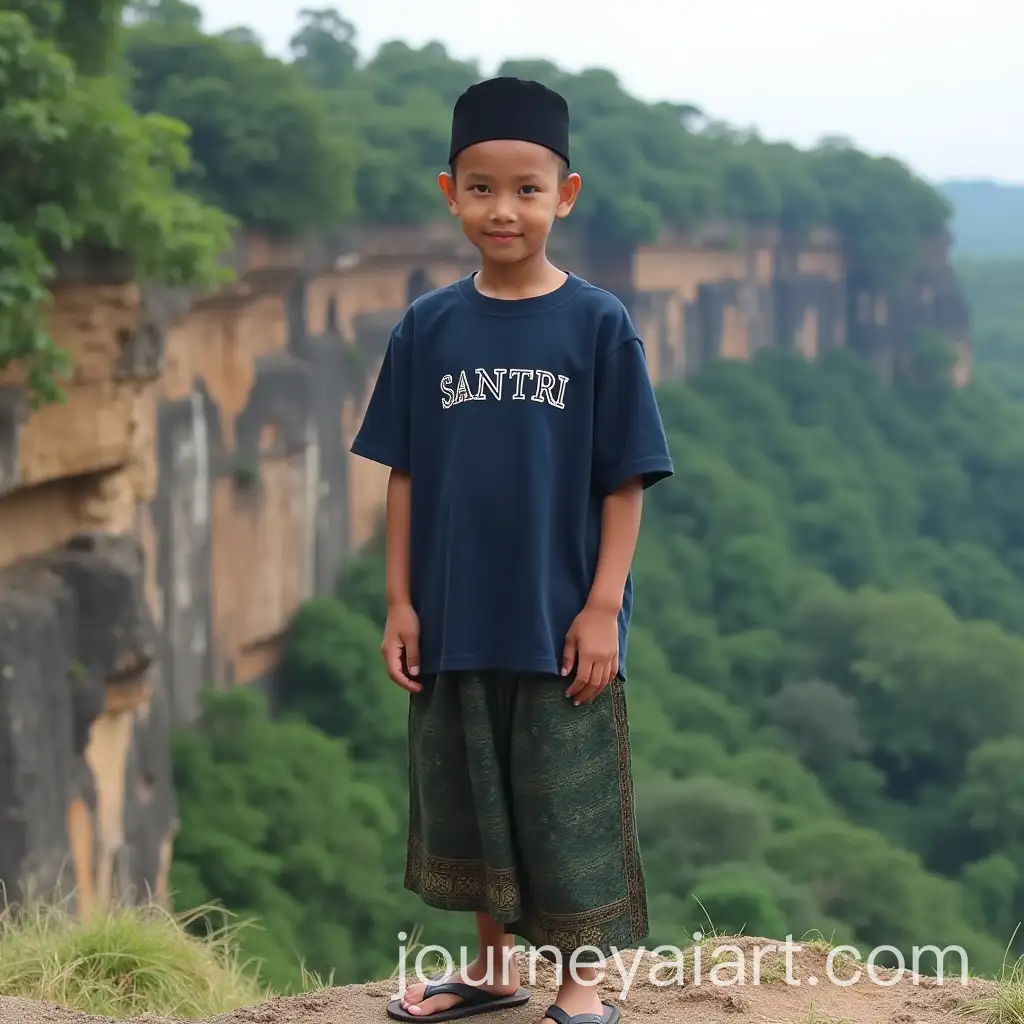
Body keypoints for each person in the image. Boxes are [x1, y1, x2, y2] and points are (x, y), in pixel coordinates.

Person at [350, 75, 674, 1024]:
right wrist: (400, 602)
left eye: (528, 189)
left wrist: (605, 606)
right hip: (453, 613)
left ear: (564, 196)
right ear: (450, 192)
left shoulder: (598, 323)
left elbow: (625, 478)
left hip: (559, 614)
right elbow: (402, 474)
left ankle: (579, 985)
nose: (505, 209)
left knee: (561, 805)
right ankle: (496, 974)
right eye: (482, 187)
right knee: (476, 797)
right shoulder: (429, 325)